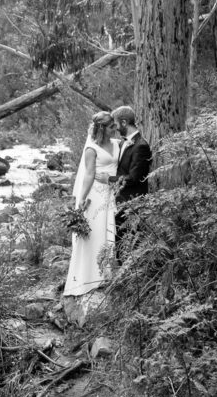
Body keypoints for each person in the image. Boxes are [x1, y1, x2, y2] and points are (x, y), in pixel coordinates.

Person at [64, 111, 119, 297]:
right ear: (103, 129)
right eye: (112, 126)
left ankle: (107, 274)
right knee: (95, 233)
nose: (115, 128)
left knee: (108, 231)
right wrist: (81, 201)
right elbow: (88, 175)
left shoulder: (117, 143)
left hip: (112, 190)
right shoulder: (91, 149)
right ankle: (90, 276)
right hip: (96, 194)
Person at [109, 105, 152, 259]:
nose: (115, 127)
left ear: (124, 122)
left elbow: (134, 178)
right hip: (119, 202)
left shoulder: (141, 146)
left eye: (116, 123)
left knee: (129, 243)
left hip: (132, 204)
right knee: (120, 241)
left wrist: (108, 179)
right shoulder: (122, 143)